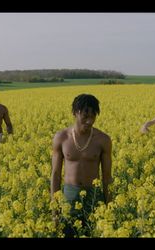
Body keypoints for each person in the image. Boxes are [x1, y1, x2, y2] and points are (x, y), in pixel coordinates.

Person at [51, 94, 113, 237]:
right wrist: (54, 209)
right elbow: (55, 174)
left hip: (94, 197)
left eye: (93, 116)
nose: (89, 120)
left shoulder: (103, 140)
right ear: (74, 113)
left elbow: (107, 177)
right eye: (85, 115)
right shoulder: (62, 137)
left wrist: (109, 207)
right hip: (69, 196)